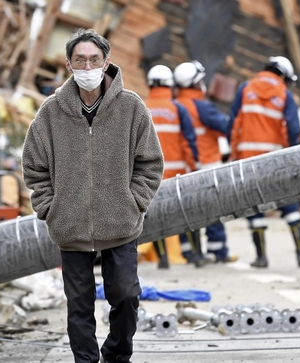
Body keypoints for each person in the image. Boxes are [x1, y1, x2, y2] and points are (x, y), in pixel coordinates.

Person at [22, 29, 164, 363]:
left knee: (126, 295)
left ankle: (116, 355)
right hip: (69, 229)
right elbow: (33, 167)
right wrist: (50, 208)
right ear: (69, 64)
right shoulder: (50, 113)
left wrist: (134, 203)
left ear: (106, 62)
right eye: (80, 59)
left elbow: (151, 163)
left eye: (94, 59)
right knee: (79, 308)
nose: (88, 65)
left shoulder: (131, 108)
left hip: (121, 226)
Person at [229, 56, 300, 268]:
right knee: (288, 201)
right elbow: (293, 128)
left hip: (248, 159)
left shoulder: (246, 89)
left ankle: (261, 257)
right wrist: (290, 151)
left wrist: (235, 149)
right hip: (275, 159)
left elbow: (234, 120)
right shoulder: (285, 95)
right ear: (282, 75)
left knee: (254, 205)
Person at [174, 60, 238, 263]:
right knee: (213, 208)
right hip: (207, 165)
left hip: (183, 167)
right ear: (195, 83)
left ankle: (188, 251)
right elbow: (225, 127)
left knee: (186, 209)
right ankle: (218, 250)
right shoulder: (201, 106)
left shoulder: (175, 105)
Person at [144, 64, 200, 268]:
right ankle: (193, 255)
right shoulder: (177, 108)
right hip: (178, 174)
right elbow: (189, 141)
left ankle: (163, 258)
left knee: (157, 215)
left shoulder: (140, 108)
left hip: (150, 178)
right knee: (186, 214)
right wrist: (194, 167)